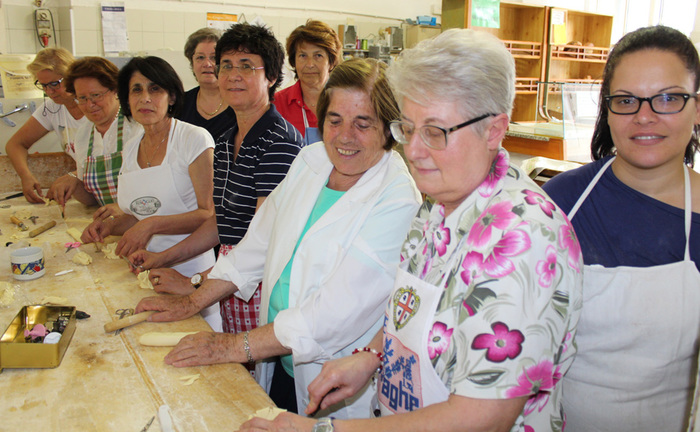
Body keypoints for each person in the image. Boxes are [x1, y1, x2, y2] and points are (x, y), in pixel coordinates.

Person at [238, 29, 583, 432]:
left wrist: (323, 431)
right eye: (408, 129)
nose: (414, 151)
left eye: (435, 132)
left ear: (494, 129)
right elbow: (413, 314)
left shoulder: (523, 239)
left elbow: (483, 418)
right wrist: (371, 356)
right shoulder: (435, 208)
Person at [135, 57, 422, 419]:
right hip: (280, 358)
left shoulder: (397, 200)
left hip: (334, 378)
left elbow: (330, 315)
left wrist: (231, 347)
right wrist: (192, 302)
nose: (345, 136)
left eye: (363, 124)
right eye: (335, 120)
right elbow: (255, 246)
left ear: (389, 130)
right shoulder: (311, 160)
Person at [542, 25, 700, 432]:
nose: (644, 116)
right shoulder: (558, 202)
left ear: (697, 108)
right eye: (626, 100)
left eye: (668, 98)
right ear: (607, 109)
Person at [128, 23, 304, 344]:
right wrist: (163, 258)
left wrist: (194, 284)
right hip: (227, 277)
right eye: (226, 65)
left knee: (251, 379)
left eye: (247, 66)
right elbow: (219, 221)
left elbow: (262, 243)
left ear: (272, 77)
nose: (233, 75)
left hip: (261, 284)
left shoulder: (279, 143)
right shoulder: (224, 142)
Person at [80, 56, 219, 330]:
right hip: (145, 269)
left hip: (191, 271)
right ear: (126, 100)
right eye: (136, 90)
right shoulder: (131, 148)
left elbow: (208, 214)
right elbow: (138, 214)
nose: (145, 98)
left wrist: (150, 225)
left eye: (155, 89)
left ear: (171, 97)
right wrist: (108, 227)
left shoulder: (193, 139)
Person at [48, 57, 142, 207]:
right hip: (109, 222)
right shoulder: (84, 135)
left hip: (142, 219)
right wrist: (75, 184)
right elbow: (93, 199)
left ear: (114, 90)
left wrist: (122, 209)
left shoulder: (137, 125)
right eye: (82, 98)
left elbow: (156, 189)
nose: (90, 105)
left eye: (96, 96)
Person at [7, 48, 88, 203]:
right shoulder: (52, 108)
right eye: (43, 85)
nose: (49, 91)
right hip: (87, 191)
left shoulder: (95, 106)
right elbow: (15, 144)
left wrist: (74, 176)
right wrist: (26, 177)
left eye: (55, 84)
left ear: (71, 77)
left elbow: (112, 159)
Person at [274, 19, 341, 143]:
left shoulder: (345, 101)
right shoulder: (277, 104)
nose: (310, 64)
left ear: (331, 62)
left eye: (318, 56)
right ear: (294, 61)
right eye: (303, 56)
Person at [179, 28, 235, 141]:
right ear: (192, 63)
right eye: (200, 57)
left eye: (213, 58)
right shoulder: (180, 103)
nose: (207, 64)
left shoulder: (239, 103)